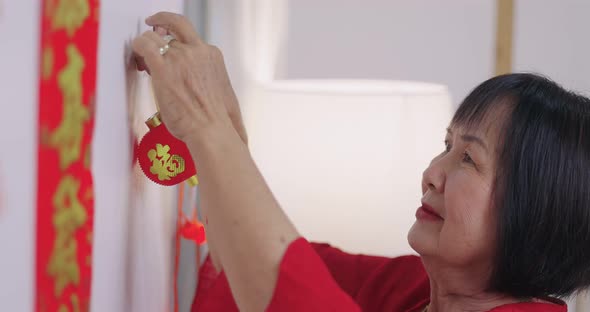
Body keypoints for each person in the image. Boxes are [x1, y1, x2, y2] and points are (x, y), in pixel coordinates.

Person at [132, 12, 590, 312]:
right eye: (446, 145)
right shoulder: (419, 289)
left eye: (468, 159)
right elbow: (272, 260)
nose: (432, 173)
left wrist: (208, 123)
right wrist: (226, 131)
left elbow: (293, 293)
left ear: (534, 212)